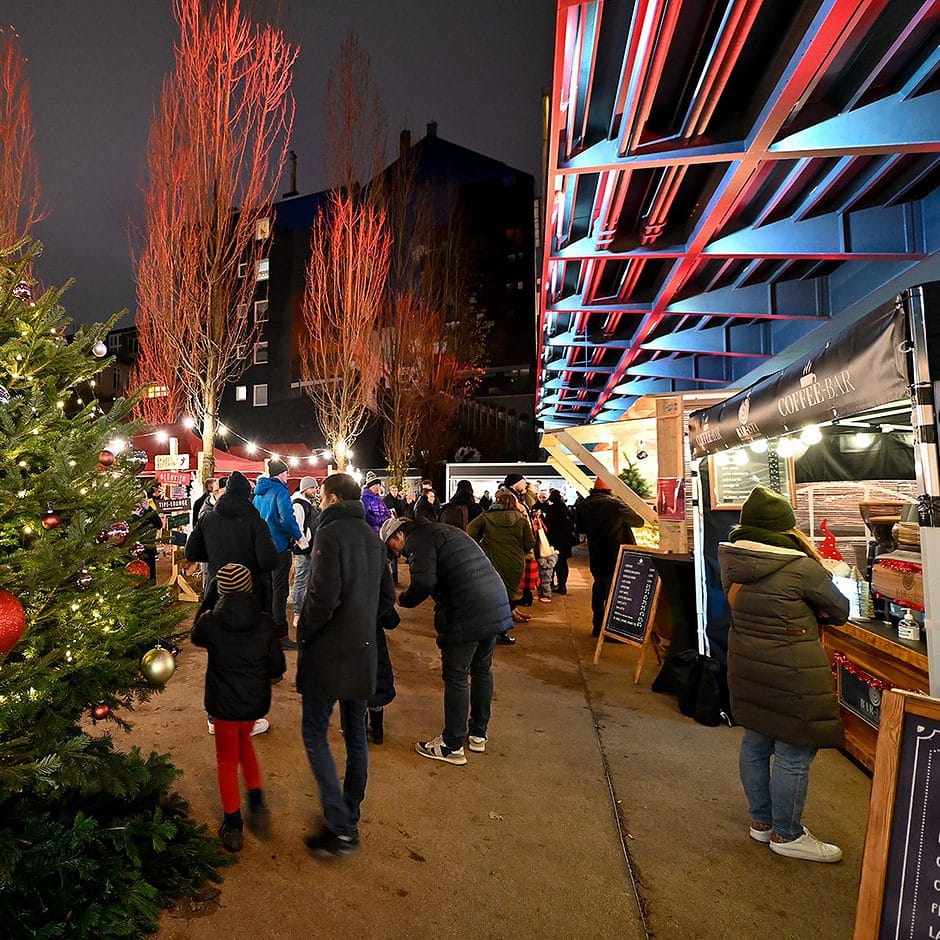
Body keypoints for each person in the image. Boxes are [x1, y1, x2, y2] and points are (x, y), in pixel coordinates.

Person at [719, 485, 848, 863]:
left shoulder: (733, 561)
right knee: (794, 750)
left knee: (756, 744)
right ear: (785, 528)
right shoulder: (800, 567)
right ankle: (787, 833)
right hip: (793, 673)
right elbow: (839, 610)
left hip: (749, 667)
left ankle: (761, 823)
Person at [297, 473, 396, 859]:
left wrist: (305, 629)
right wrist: (363, 619)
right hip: (363, 651)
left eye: (322, 497)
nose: (320, 502)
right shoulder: (373, 538)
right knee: (355, 732)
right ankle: (349, 814)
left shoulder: (330, 534)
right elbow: (388, 597)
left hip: (328, 652)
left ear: (333, 498)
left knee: (314, 732)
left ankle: (339, 826)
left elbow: (323, 596)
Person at [382, 517, 511, 765]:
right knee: (482, 670)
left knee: (456, 676)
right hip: (494, 603)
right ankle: (478, 734)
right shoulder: (443, 530)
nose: (397, 555)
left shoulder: (418, 540)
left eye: (392, 548)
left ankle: (452, 745)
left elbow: (423, 583)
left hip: (466, 611)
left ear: (398, 535)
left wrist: (401, 599)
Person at [191, 563, 286, 853]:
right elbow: (277, 667)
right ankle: (256, 800)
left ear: (220, 590)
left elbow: (195, 635)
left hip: (223, 705)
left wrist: (209, 599)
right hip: (253, 703)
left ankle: (233, 824)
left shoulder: (210, 622)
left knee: (226, 762)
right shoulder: (265, 622)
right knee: (245, 744)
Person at [185, 470, 279, 736]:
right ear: (247, 495)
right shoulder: (255, 522)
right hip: (250, 597)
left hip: (218, 593)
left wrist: (217, 559)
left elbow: (192, 552)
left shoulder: (207, 518)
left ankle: (216, 718)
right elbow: (269, 561)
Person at [576, 477, 645, 637]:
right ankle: (613, 629)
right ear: (611, 489)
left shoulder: (583, 505)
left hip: (596, 552)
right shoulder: (616, 505)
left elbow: (580, 529)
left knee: (600, 587)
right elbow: (639, 521)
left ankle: (598, 625)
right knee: (617, 592)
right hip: (619, 554)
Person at [253, 458, 306, 649]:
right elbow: (286, 519)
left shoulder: (258, 494)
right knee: (279, 590)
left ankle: (265, 631)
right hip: (279, 547)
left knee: (266, 589)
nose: (288, 476)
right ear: (279, 474)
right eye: (286, 473)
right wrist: (299, 537)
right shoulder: (280, 492)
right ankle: (280, 633)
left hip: (261, 548)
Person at [467, 490, 535, 637]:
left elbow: (470, 528)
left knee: (493, 593)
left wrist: (479, 545)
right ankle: (502, 632)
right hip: (515, 562)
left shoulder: (487, 516)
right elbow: (530, 543)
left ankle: (491, 628)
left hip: (491, 560)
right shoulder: (521, 519)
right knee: (509, 594)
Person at [291, 477, 319, 618]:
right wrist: (305, 545)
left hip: (309, 547)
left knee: (307, 579)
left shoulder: (307, 504)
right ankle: (297, 611)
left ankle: (304, 608)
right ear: (305, 489)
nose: (315, 490)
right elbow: (298, 528)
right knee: (301, 580)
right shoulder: (298, 505)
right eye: (313, 488)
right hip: (304, 549)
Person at [542, 489, 577, 594]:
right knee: (564, 562)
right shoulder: (565, 509)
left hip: (556, 540)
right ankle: (563, 585)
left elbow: (549, 525)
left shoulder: (552, 510)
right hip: (566, 540)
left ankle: (559, 586)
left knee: (557, 563)